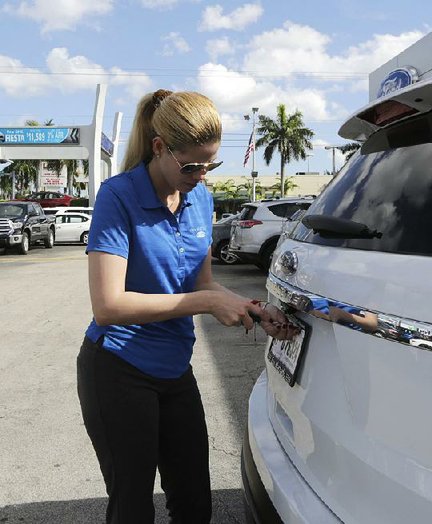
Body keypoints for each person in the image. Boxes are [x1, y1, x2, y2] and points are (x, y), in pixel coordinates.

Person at [77, 89, 295, 523]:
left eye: (210, 165)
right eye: (192, 165)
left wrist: (251, 306)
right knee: (132, 508)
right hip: (119, 368)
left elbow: (203, 284)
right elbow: (108, 305)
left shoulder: (200, 199)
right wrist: (208, 301)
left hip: (175, 368)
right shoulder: (118, 196)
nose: (201, 175)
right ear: (159, 147)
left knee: (195, 503)